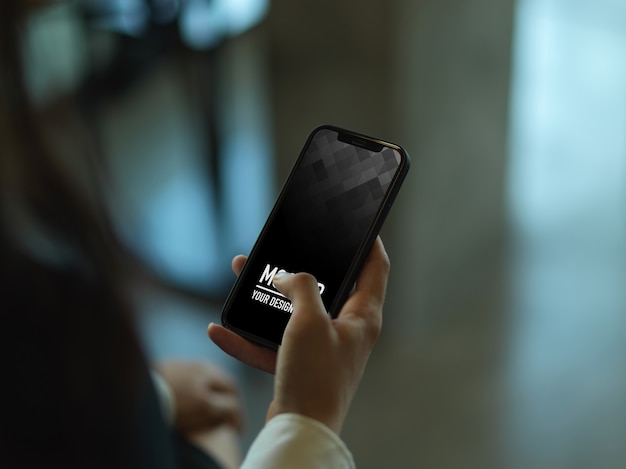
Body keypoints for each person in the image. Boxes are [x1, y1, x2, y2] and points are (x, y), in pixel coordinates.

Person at [0, 1, 389, 467]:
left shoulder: (46, 334)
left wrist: (148, 398)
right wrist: (307, 419)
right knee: (219, 419)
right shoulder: (46, 319)